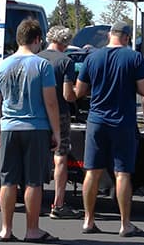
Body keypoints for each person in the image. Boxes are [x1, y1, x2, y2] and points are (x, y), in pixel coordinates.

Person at [75, 21, 144, 237]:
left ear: (110, 35)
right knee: (122, 173)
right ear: (126, 38)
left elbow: (79, 91)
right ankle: (125, 224)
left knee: (92, 171)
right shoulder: (134, 58)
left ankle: (88, 221)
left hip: (96, 121)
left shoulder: (92, 57)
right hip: (122, 121)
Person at [0, 18, 61, 243]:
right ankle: (32, 230)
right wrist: (56, 132)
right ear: (37, 40)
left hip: (9, 127)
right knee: (33, 181)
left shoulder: (1, 65)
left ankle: (5, 229)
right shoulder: (42, 65)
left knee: (8, 181)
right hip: (35, 128)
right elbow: (51, 102)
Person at [37, 25, 81, 220]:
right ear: (66, 42)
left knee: (36, 157)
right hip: (60, 113)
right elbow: (67, 95)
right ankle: (58, 203)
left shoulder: (36, 58)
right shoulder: (66, 62)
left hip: (37, 113)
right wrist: (79, 93)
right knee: (60, 156)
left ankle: (35, 201)